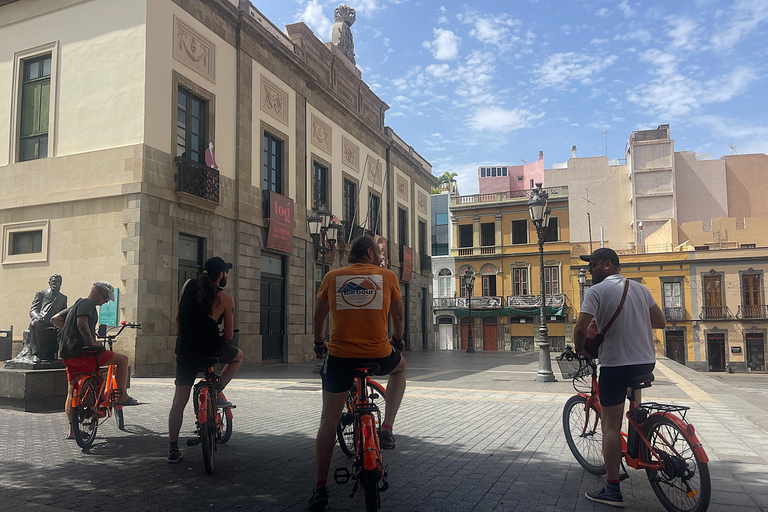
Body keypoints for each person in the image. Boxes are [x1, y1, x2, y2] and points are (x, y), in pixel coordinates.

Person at [308, 236, 406, 511]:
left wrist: (319, 343)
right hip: (379, 355)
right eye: (379, 253)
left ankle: (320, 487)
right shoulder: (388, 277)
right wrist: (397, 340)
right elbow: (398, 316)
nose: (381, 257)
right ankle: (387, 428)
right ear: (370, 254)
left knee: (328, 421)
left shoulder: (332, 277)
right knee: (400, 368)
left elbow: (319, 316)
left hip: (341, 358)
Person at [573, 248, 666, 508]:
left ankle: (613, 489)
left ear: (608, 264)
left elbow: (580, 329)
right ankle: (637, 444)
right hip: (645, 362)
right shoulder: (640, 289)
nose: (589, 270)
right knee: (633, 411)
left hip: (616, 366)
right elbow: (660, 321)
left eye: (592, 264)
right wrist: (632, 321)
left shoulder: (596, 291)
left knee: (610, 427)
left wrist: (581, 350)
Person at [167, 257, 243, 463]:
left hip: (186, 350)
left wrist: (183, 338)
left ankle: (173, 449)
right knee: (238, 357)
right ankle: (217, 390)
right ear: (221, 275)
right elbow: (228, 336)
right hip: (211, 348)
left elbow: (179, 317)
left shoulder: (187, 285)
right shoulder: (225, 299)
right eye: (225, 273)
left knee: (179, 400)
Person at [51, 281, 138, 440]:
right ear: (98, 292)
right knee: (123, 360)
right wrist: (91, 341)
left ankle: (72, 431)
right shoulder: (88, 303)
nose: (106, 302)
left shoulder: (77, 305)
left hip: (67, 356)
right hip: (84, 354)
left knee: (71, 391)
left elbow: (55, 319)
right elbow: (81, 322)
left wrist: (72, 332)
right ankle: (122, 396)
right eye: (106, 298)